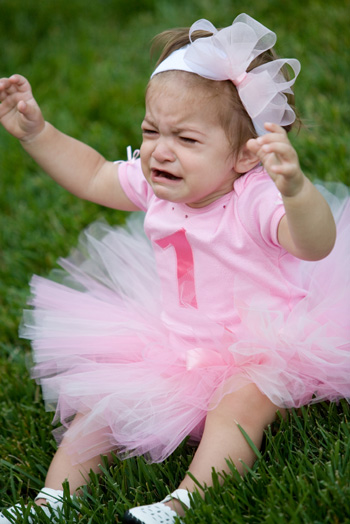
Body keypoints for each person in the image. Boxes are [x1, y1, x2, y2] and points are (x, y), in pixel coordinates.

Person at [0, 12, 349, 524]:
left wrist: (296, 192)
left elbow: (314, 244)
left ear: (246, 157)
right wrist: (37, 133)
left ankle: (183, 502)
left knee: (236, 409)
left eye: (186, 140)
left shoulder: (253, 200)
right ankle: (52, 501)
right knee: (100, 408)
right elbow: (94, 173)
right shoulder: (156, 186)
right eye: (150, 131)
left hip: (262, 345)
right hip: (176, 341)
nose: (160, 150)